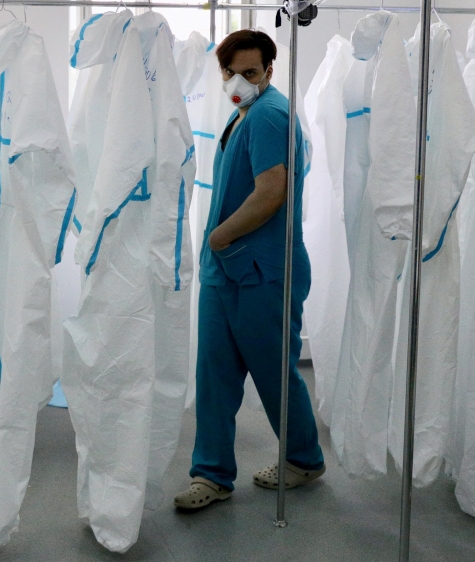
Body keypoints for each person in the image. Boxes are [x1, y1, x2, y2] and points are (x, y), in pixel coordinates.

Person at [174, 29, 325, 511]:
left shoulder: (268, 116)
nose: (239, 81)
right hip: (227, 270)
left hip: (260, 270)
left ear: (269, 72)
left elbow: (271, 192)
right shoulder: (242, 115)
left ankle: (303, 457)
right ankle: (212, 474)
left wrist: (220, 236)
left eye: (251, 73)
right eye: (231, 72)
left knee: (274, 370)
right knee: (214, 372)